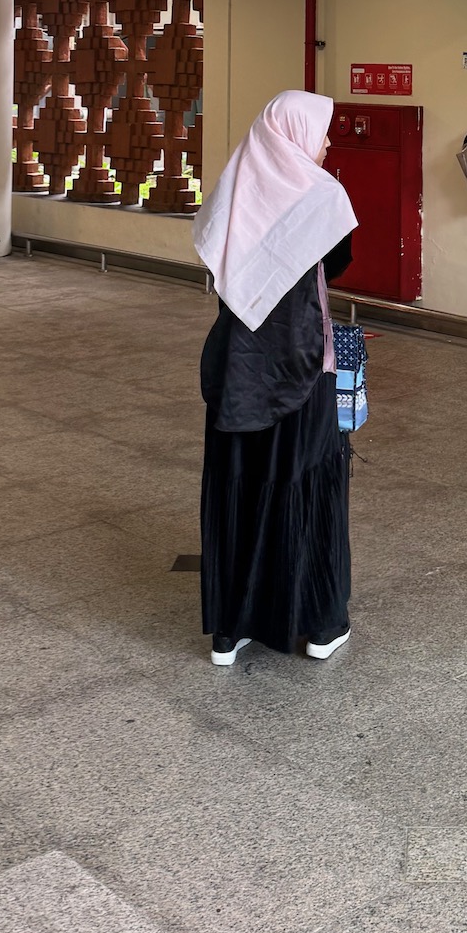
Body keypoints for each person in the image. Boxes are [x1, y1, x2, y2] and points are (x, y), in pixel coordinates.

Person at [193, 90, 358, 667]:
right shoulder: (324, 196)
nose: (329, 141)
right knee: (308, 484)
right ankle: (318, 623)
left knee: (239, 485)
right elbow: (338, 263)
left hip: (237, 371)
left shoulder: (233, 187)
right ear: (297, 135)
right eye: (323, 131)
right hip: (306, 366)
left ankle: (230, 631)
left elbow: (214, 259)